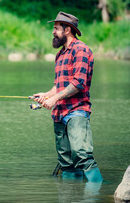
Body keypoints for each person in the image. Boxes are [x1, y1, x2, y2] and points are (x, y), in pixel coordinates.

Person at [32, 11, 103, 182]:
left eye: (56, 28)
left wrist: (54, 99)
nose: (53, 32)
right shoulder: (61, 54)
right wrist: (47, 95)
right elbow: (61, 84)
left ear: (68, 30)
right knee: (66, 163)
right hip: (59, 114)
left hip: (77, 111)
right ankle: (70, 194)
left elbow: (78, 83)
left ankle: (99, 191)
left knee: (82, 155)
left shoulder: (81, 50)